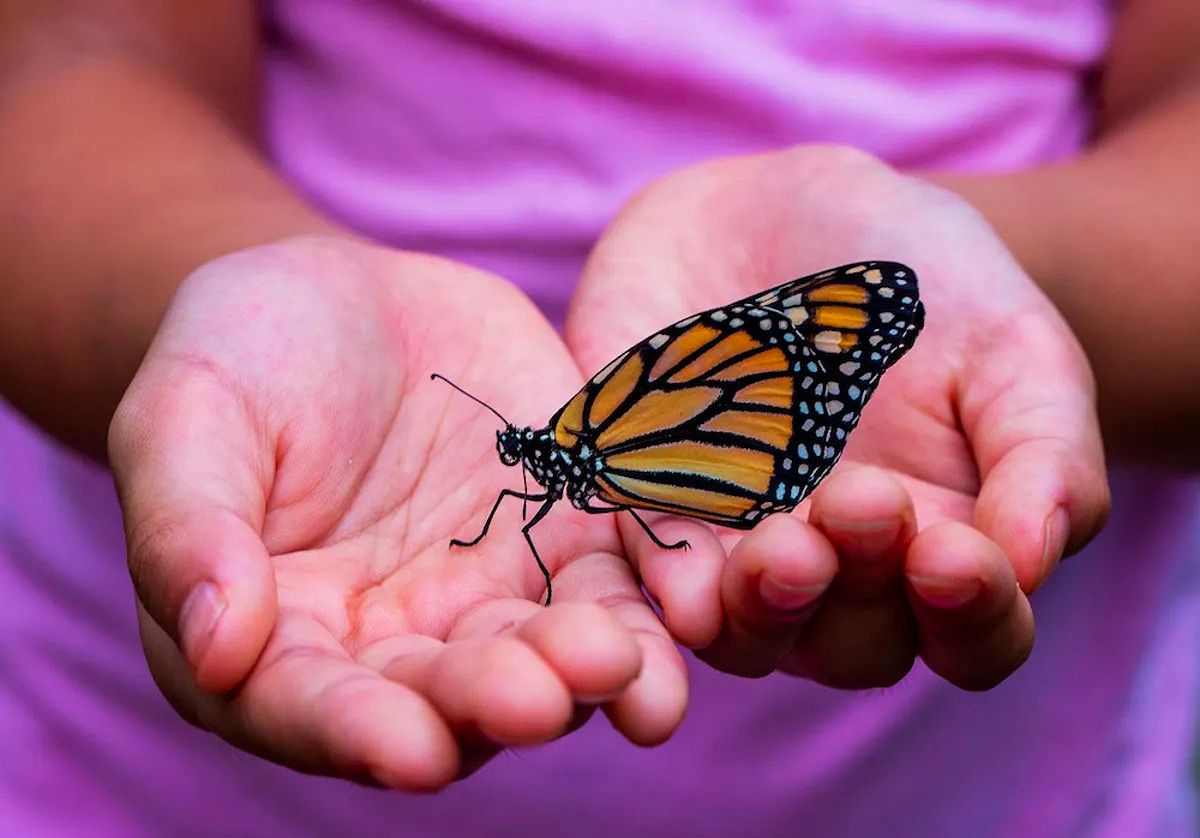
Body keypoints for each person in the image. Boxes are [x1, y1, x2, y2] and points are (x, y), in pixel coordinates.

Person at [1, 1, 1197, 834]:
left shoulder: (599, 432)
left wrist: (1024, 285)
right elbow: (67, 68)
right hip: (118, 787)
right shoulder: (578, 448)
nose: (525, 460)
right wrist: (227, 300)